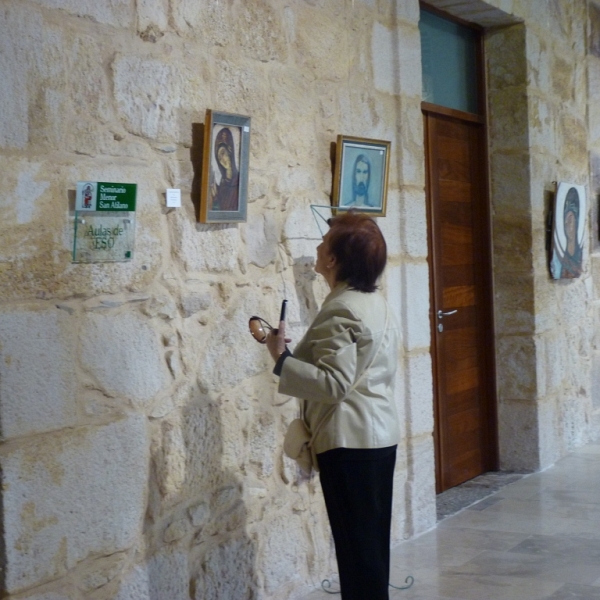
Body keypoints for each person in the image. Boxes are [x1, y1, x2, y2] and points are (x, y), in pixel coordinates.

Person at [265, 212, 400, 600]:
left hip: (350, 442)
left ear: (334, 260)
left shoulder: (342, 308)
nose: (318, 248)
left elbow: (334, 383)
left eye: (325, 244)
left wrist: (281, 359)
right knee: (370, 554)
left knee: (358, 557)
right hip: (377, 436)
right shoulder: (375, 303)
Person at [210, 127, 239, 211]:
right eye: (218, 156)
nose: (221, 159)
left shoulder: (238, 181)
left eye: (223, 153)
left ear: (230, 153)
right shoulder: (222, 183)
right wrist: (215, 197)